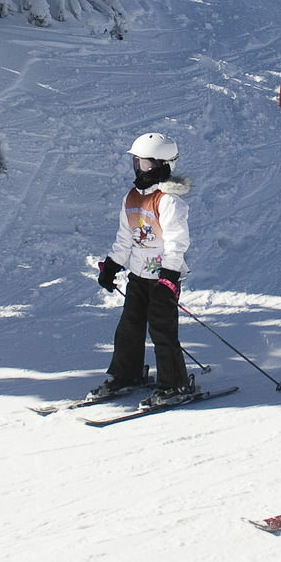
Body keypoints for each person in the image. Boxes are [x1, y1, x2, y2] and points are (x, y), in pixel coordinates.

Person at [88, 132, 195, 408]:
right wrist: (111, 267)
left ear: (163, 165)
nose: (139, 169)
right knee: (129, 327)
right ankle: (127, 373)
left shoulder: (169, 201)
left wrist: (168, 277)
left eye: (145, 164)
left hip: (162, 280)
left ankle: (174, 384)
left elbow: (176, 242)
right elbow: (125, 238)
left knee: (162, 329)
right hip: (137, 276)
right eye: (136, 163)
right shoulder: (132, 197)